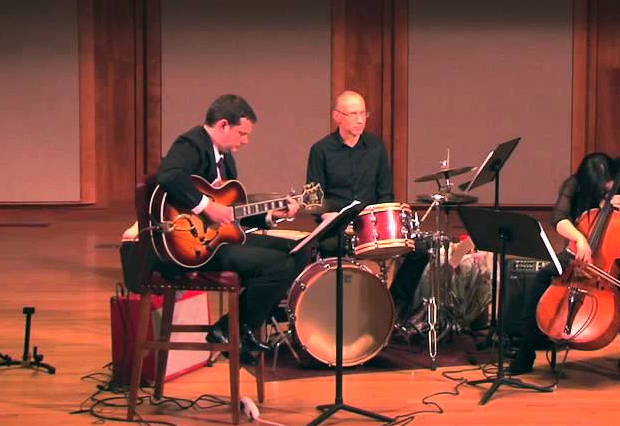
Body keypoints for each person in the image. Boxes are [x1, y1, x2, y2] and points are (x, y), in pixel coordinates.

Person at [153, 94, 301, 363]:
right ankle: (239, 329)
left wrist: (270, 216)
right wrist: (205, 207)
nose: (246, 140)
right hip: (194, 246)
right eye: (242, 133)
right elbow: (169, 175)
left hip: (220, 241)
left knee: (299, 251)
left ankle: (231, 328)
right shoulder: (192, 143)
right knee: (278, 266)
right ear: (223, 125)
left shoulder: (227, 160)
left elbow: (233, 214)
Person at [507, 152, 620, 386]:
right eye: (600, 192)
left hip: (616, 263)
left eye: (608, 190)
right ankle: (526, 351)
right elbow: (559, 218)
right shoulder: (575, 184)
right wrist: (580, 238)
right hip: (579, 254)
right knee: (542, 276)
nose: (604, 196)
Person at [304, 90, 426, 315]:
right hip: (337, 228)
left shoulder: (376, 147)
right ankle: (338, 314)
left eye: (363, 113)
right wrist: (326, 216)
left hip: (372, 227)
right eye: (353, 114)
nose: (360, 119)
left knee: (419, 252)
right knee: (329, 249)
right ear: (337, 117)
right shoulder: (320, 150)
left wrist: (387, 226)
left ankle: (394, 308)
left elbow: (386, 194)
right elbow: (313, 200)